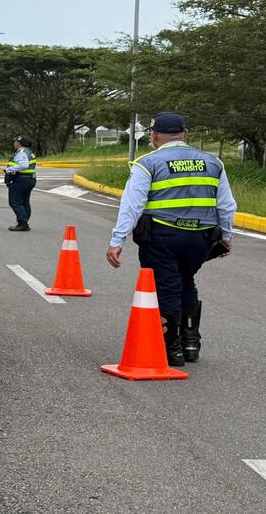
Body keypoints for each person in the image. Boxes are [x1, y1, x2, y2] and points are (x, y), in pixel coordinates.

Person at [104, 112, 237, 366]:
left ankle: (171, 347)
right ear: (185, 133)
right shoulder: (212, 162)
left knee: (165, 286)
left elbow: (132, 205)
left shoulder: (148, 163)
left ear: (154, 136)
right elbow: (227, 205)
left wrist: (117, 241)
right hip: (200, 238)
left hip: (162, 236)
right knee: (186, 281)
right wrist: (227, 236)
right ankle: (190, 343)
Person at [3, 135, 37, 231]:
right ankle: (24, 221)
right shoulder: (29, 152)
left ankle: (22, 223)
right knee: (25, 202)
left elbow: (24, 165)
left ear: (19, 143)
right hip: (29, 179)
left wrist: (9, 169)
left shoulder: (21, 152)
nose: (14, 143)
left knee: (15, 202)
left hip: (21, 179)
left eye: (15, 142)